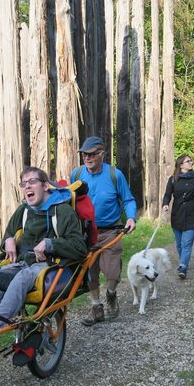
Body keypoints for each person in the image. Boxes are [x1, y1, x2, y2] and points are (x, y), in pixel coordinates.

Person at [0, 167, 87, 358]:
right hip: (24, 262)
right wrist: (7, 240)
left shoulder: (63, 211)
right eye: (24, 184)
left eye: (32, 182)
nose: (27, 187)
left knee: (22, 278)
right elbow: (8, 234)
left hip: (51, 266)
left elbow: (79, 248)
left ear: (45, 185)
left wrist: (49, 244)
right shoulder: (24, 210)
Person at [70, 136, 137, 326]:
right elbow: (70, 200)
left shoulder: (115, 175)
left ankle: (111, 294)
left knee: (112, 271)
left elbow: (129, 199)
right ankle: (96, 307)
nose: (87, 158)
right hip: (86, 233)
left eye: (91, 154)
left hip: (111, 231)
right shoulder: (76, 174)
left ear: (102, 154)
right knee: (90, 272)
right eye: (84, 154)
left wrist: (131, 217)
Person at [162, 154, 194, 279]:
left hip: (192, 213)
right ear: (181, 164)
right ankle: (184, 261)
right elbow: (167, 195)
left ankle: (183, 266)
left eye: (191, 161)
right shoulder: (173, 179)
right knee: (179, 244)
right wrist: (165, 204)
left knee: (187, 243)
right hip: (177, 213)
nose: (191, 162)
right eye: (188, 161)